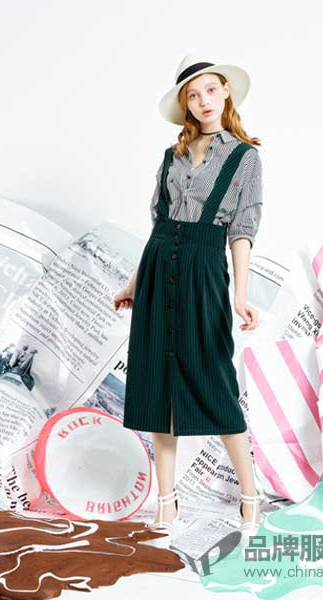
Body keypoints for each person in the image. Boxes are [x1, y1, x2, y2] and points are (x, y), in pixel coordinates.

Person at [113, 54, 264, 545]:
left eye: (210, 90)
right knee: (158, 383)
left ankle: (250, 495)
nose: (202, 101)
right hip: (159, 266)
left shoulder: (244, 157)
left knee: (215, 381)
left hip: (204, 266)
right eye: (193, 95)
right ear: (185, 104)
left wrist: (240, 295)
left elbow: (242, 230)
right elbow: (158, 227)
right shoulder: (170, 156)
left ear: (226, 91)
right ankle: (166, 500)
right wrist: (134, 284)